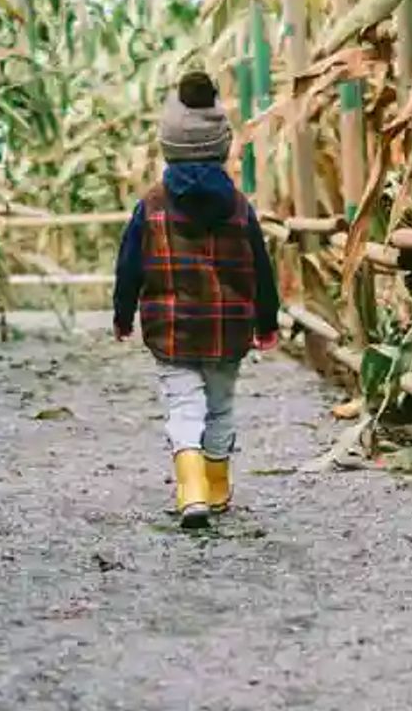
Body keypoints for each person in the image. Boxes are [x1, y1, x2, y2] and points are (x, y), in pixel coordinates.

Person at [111, 69, 280, 528]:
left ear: (169, 144)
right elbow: (261, 269)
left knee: (184, 406)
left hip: (172, 330)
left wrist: (122, 315)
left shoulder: (151, 205)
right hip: (229, 330)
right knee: (221, 406)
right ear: (221, 145)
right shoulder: (240, 207)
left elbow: (129, 266)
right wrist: (267, 322)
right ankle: (219, 486)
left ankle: (191, 492)